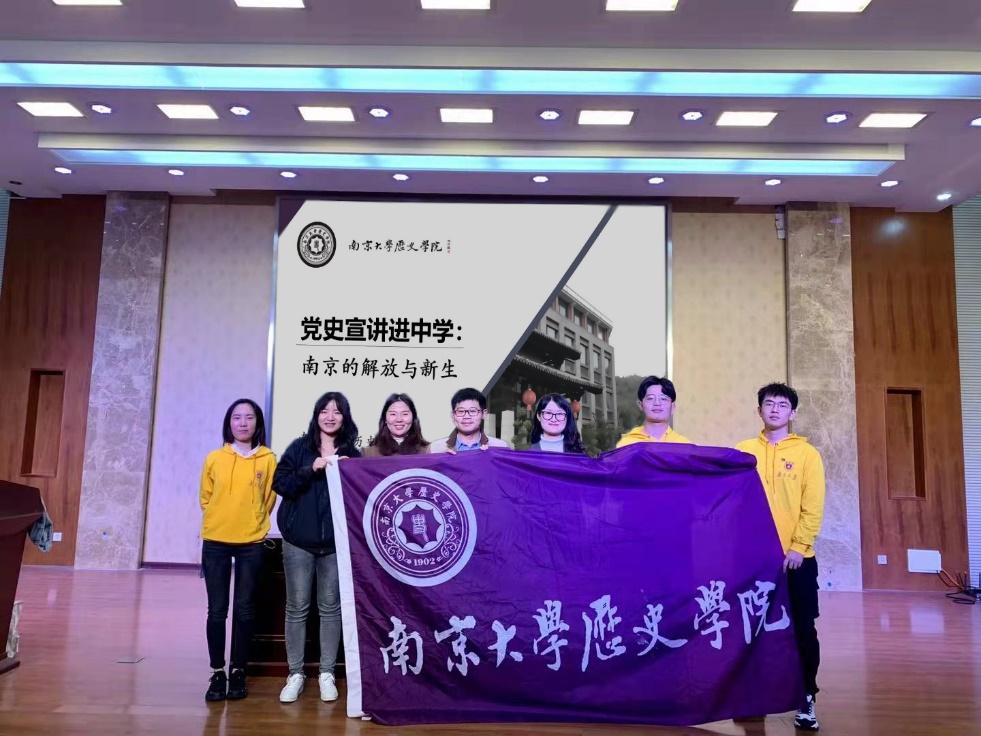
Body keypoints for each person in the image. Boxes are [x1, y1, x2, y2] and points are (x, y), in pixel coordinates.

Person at [736, 382, 825, 732]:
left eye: (782, 405)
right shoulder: (743, 452)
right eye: (769, 404)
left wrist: (799, 546)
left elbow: (813, 507)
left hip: (796, 560)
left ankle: (806, 697)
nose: (775, 409)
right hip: (754, 560)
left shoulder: (807, 455)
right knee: (752, 628)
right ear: (759, 410)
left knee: (802, 629)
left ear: (793, 413)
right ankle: (753, 695)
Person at [272, 392, 360, 704]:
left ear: (344, 417)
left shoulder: (353, 454)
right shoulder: (299, 448)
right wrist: (310, 468)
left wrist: (351, 474)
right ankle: (295, 673)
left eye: (337, 411)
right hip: (298, 542)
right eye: (324, 411)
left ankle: (326, 673)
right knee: (297, 608)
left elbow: (361, 500)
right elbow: (280, 484)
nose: (330, 417)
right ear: (316, 415)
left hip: (335, 545)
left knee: (331, 608)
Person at [199, 398, 276, 703]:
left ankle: (238, 670)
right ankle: (218, 672)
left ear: (258, 423)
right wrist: (219, 518)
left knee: (244, 609)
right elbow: (205, 498)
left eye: (249, 417)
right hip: (215, 541)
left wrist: (254, 520)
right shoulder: (214, 458)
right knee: (217, 610)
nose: (243, 423)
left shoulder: (268, 459)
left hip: (251, 543)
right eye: (237, 417)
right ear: (229, 423)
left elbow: (269, 498)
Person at [616, 375, 692, 447]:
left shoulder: (683, 445)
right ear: (641, 405)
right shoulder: (627, 444)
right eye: (650, 398)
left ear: (672, 407)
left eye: (663, 399)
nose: (657, 403)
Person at [430, 387, 509, 453]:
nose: (466, 416)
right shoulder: (435, 449)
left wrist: (491, 458)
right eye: (461, 411)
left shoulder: (500, 447)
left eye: (473, 411)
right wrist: (442, 460)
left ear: (483, 414)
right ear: (453, 415)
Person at [363, 393, 430, 456]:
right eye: (393, 414)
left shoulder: (427, 452)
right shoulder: (368, 453)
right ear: (385, 419)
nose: (399, 419)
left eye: (405, 414)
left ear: (413, 418)